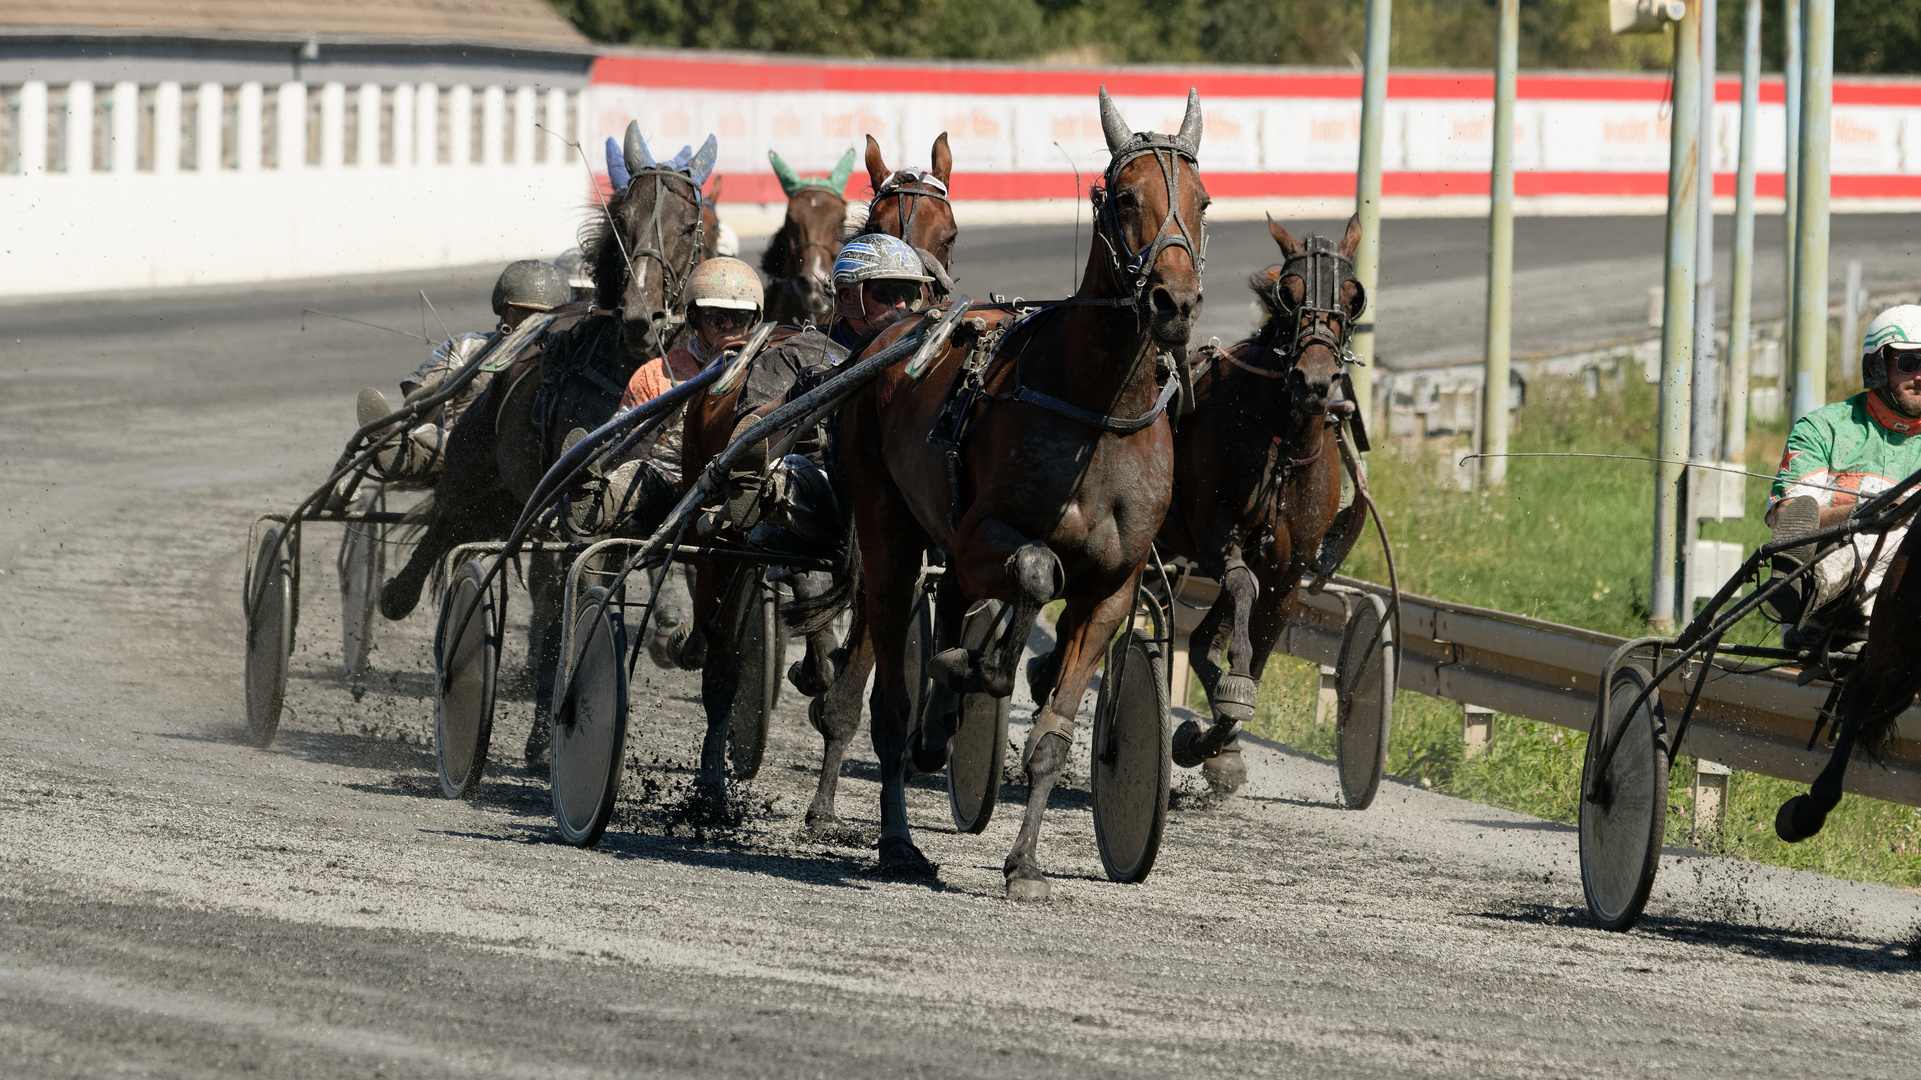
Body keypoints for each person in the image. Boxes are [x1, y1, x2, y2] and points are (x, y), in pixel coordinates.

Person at [711, 232, 935, 541]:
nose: (900, 305)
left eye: (908, 294)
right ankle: (767, 495)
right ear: (847, 297)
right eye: (887, 292)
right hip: (824, 493)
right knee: (789, 469)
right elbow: (749, 438)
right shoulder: (797, 352)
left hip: (904, 487)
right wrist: (794, 397)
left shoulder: (923, 358)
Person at [1766, 304, 1921, 644]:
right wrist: (1865, 513)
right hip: (1838, 610)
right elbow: (1785, 515)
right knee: (1840, 544)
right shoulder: (1824, 428)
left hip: (1909, 608)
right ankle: (1800, 594)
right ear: (1876, 366)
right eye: (1910, 364)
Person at [355, 260, 572, 486]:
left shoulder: (565, 356)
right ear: (508, 313)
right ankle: (400, 455)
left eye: (546, 317)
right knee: (443, 439)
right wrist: (452, 382)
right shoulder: (467, 347)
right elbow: (413, 407)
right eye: (529, 315)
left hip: (535, 452)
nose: (538, 325)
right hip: (467, 450)